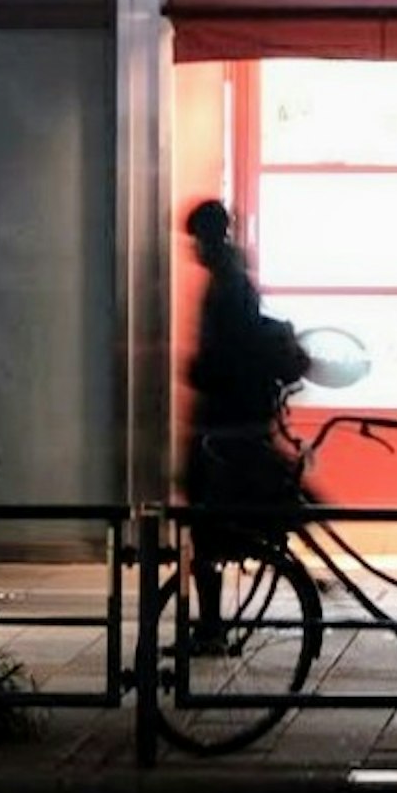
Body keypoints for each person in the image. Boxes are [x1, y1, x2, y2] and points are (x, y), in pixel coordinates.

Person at [177, 200, 307, 633]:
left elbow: (228, 357)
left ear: (211, 237)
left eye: (196, 239)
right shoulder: (233, 281)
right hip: (233, 420)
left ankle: (211, 624)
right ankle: (212, 621)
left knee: (208, 525)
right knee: (211, 527)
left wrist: (195, 369)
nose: (193, 249)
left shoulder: (228, 287)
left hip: (223, 426)